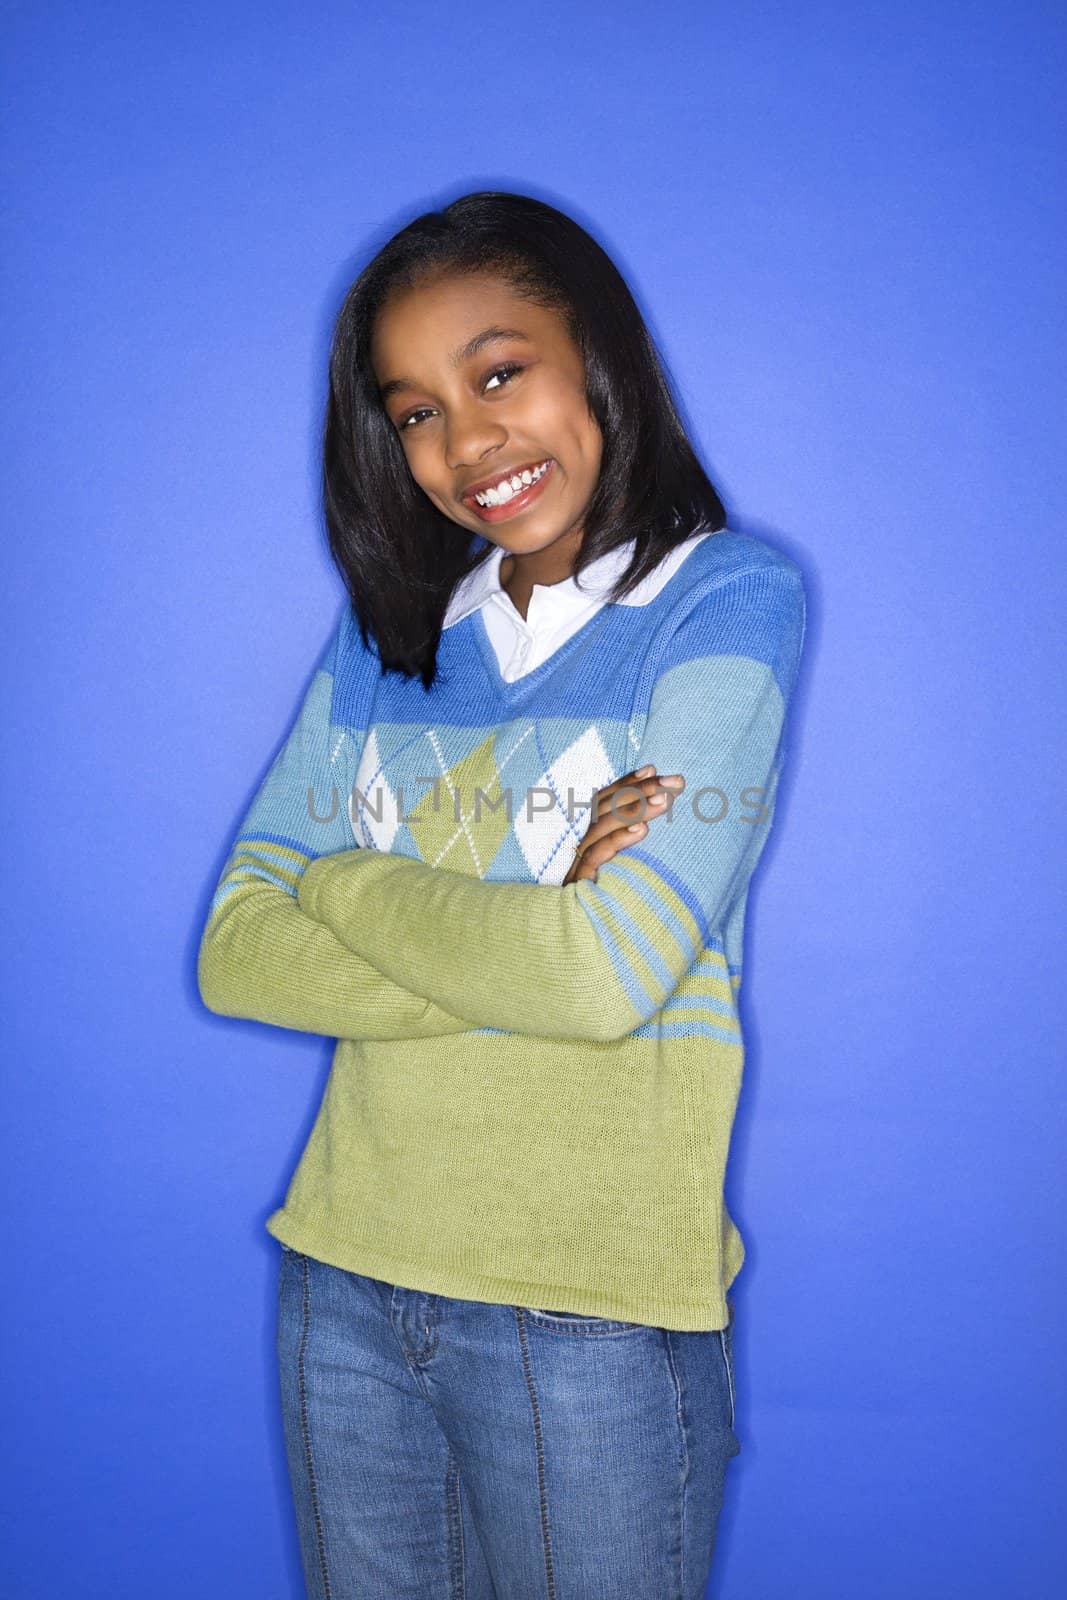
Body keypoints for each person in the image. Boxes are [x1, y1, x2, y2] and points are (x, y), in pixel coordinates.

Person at [197, 190, 806, 1599]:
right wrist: (525, 923)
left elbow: (606, 979)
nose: (465, 444)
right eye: (412, 411)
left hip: (585, 1314)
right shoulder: (386, 638)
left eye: (496, 373)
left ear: (595, 352)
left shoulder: (724, 602)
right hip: (342, 1280)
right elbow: (237, 952)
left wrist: (337, 883)